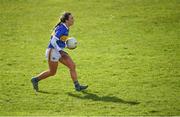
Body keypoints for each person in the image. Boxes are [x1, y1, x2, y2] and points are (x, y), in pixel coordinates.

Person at [31, 12, 88, 92]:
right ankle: (35, 79)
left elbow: (59, 40)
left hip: (58, 50)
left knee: (72, 66)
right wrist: (60, 50)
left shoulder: (66, 27)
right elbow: (53, 41)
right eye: (71, 18)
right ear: (66, 20)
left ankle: (77, 86)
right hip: (52, 51)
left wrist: (66, 45)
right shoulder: (62, 28)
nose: (73, 20)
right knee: (52, 72)